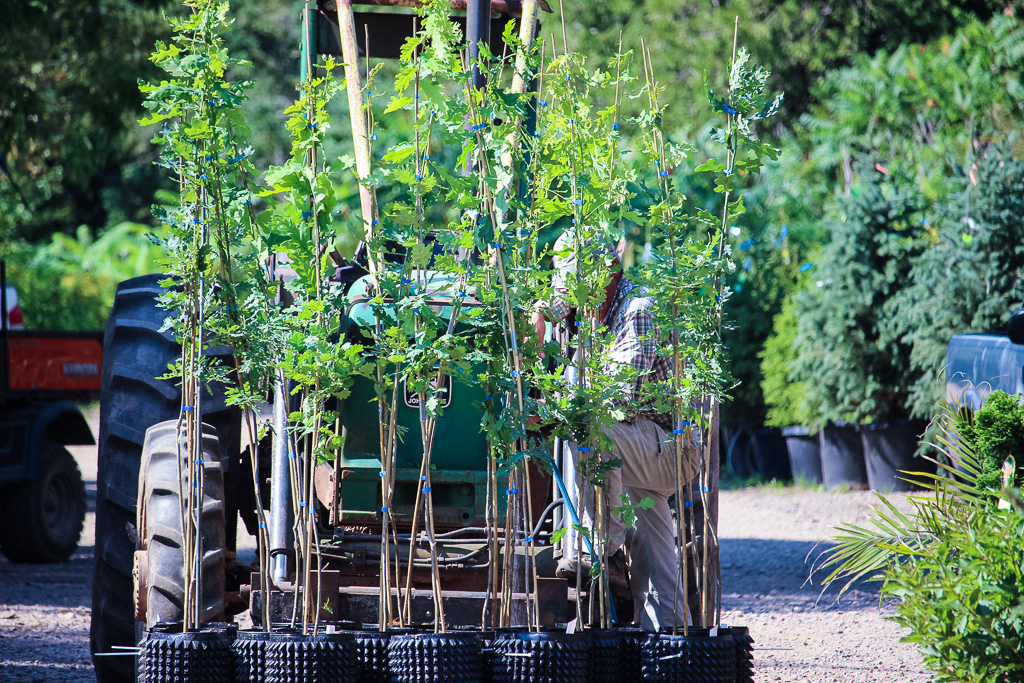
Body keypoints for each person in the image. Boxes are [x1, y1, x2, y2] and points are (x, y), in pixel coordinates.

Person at [532, 236, 700, 631]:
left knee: (589, 426)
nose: (575, 296)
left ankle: (598, 547)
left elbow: (620, 398)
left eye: (583, 284)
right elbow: (554, 306)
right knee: (654, 550)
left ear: (609, 272)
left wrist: (556, 410)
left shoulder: (637, 310)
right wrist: (537, 318)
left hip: (670, 447)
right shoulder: (589, 300)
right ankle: (673, 641)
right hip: (639, 445)